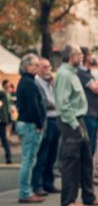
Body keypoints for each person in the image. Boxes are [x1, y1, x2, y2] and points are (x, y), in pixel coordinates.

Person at [54, 45, 98, 206]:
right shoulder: (64, 74)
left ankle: (89, 196)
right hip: (71, 121)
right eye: (79, 54)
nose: (82, 57)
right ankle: (68, 201)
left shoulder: (72, 72)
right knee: (71, 161)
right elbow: (63, 104)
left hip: (79, 119)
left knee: (86, 159)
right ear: (71, 56)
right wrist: (74, 124)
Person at [16, 54, 46, 204]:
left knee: (29, 159)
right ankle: (25, 192)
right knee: (28, 160)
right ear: (27, 66)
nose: (38, 67)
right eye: (35, 65)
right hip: (30, 125)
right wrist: (39, 123)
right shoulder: (28, 83)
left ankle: (26, 190)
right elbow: (33, 106)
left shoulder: (26, 82)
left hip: (27, 123)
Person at [31, 58, 60, 195]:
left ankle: (49, 183)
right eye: (44, 67)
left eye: (48, 67)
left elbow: (58, 98)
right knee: (42, 153)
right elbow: (42, 102)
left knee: (52, 154)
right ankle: (37, 184)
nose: (47, 69)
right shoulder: (37, 83)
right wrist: (52, 104)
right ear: (39, 69)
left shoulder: (52, 83)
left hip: (56, 118)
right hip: (46, 120)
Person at [77, 47, 98, 156]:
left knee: (92, 146)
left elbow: (97, 86)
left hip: (94, 113)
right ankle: (85, 172)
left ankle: (88, 172)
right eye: (89, 55)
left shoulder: (88, 73)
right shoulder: (81, 73)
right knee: (88, 146)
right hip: (88, 113)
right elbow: (96, 89)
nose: (91, 57)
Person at [0, 81, 12, 164]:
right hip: (3, 119)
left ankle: (8, 157)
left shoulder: (3, 94)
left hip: (2, 119)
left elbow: (7, 108)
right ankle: (8, 157)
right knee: (4, 139)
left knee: (4, 139)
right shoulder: (4, 94)